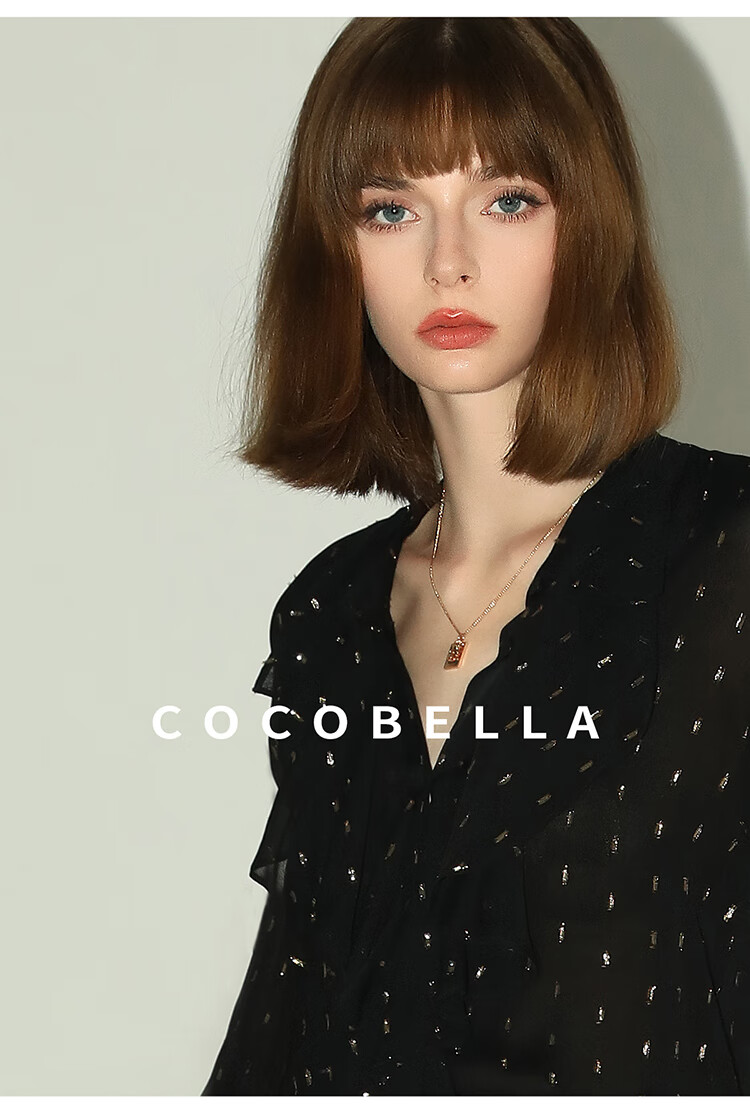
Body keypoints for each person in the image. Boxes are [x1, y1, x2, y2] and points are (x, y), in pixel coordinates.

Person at [201, 17, 750, 1096]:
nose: (447, 261)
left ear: (587, 225)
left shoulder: (721, 558)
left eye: (507, 200)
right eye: (392, 209)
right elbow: (291, 1016)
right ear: (335, 249)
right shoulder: (330, 616)